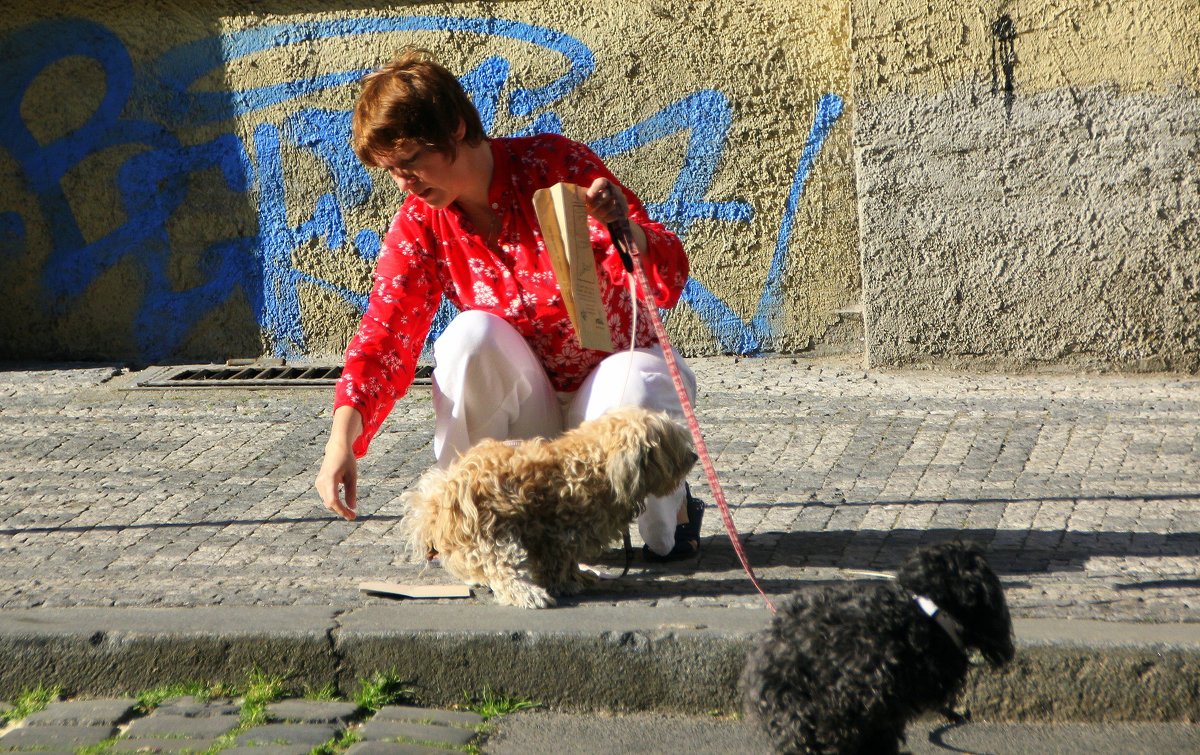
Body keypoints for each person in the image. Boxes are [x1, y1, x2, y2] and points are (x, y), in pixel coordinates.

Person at [314, 46, 703, 562]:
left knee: (640, 383)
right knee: (467, 340)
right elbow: (384, 334)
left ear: (454, 128)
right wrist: (341, 439)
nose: (404, 183)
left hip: (606, 384)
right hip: (531, 411)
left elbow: (669, 275)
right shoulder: (421, 222)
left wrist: (621, 227)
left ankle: (667, 518)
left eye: (411, 163)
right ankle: (464, 520)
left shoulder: (555, 164)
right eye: (390, 171)